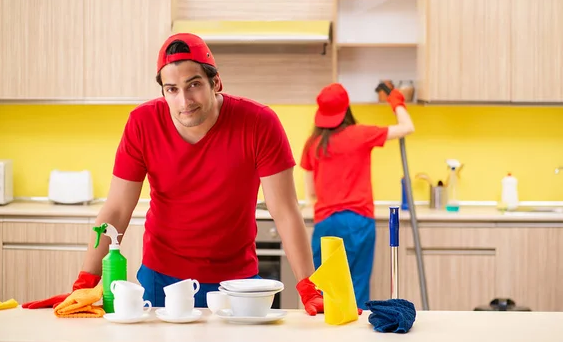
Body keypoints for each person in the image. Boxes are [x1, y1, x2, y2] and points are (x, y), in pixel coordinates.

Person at [22, 33, 324, 316]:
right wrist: (85, 282)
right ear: (163, 90)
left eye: (194, 84)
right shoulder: (142, 123)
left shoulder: (259, 122)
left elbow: (284, 210)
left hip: (237, 284)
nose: (184, 101)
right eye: (172, 89)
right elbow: (116, 209)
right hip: (159, 280)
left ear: (215, 82)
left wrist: (308, 286)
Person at [300, 82, 415, 310]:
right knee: (357, 288)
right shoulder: (361, 134)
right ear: (346, 109)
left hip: (326, 224)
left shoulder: (313, 144)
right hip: (358, 223)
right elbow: (406, 127)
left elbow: (310, 193)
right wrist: (396, 103)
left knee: (324, 293)